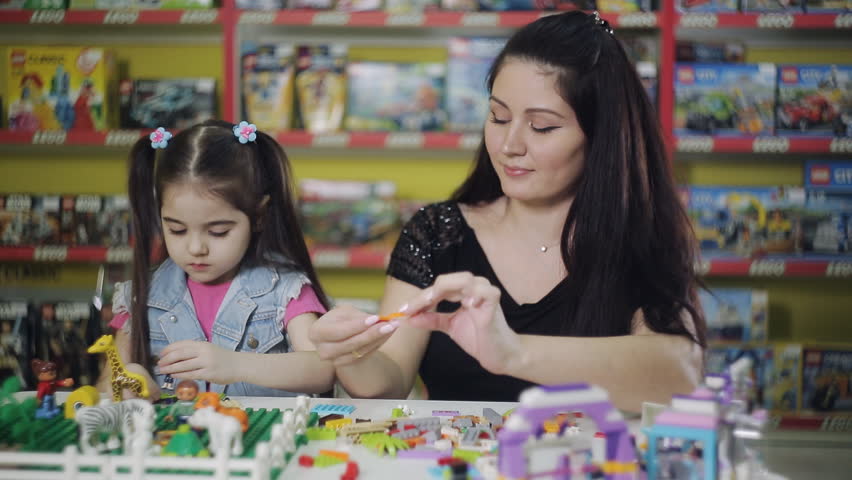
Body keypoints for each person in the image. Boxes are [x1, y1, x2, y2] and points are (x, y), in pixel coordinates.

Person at [309, 11, 707, 412]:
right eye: (498, 117)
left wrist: (512, 351)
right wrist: (351, 354)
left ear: (601, 136)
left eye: (542, 127)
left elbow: (679, 374)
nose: (508, 145)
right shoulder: (437, 232)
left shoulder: (640, 238)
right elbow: (390, 379)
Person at [99, 120, 334, 400]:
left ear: (258, 216)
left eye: (218, 232)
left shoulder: (285, 291)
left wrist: (235, 365)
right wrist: (129, 385)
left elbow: (323, 369)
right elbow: (106, 384)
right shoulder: (140, 297)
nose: (196, 248)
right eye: (177, 230)